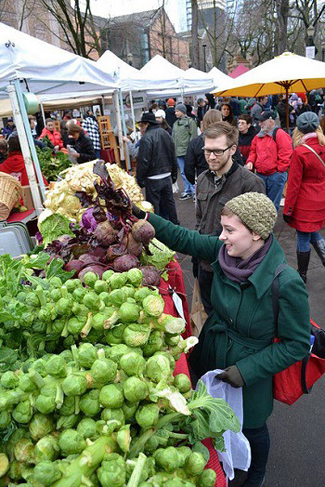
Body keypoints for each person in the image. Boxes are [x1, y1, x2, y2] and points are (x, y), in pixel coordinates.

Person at [133, 191, 310, 487]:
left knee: (251, 428)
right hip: (214, 350)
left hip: (251, 371)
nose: (222, 237)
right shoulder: (224, 252)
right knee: (211, 419)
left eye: (230, 230)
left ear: (256, 234)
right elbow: (183, 238)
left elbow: (297, 345)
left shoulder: (286, 283)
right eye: (223, 228)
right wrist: (141, 216)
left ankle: (256, 475)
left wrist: (246, 372)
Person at [194, 122, 265, 315]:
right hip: (206, 265)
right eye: (207, 151)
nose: (211, 157)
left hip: (233, 270)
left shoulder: (250, 184)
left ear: (233, 149)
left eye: (217, 151)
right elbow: (199, 221)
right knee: (210, 313)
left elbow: (260, 234)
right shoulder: (202, 179)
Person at [283, 112, 325, 282]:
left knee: (303, 236)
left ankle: (302, 274)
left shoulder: (300, 152)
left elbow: (293, 185)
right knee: (312, 231)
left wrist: (288, 209)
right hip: (321, 198)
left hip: (304, 202)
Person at [136, 112, 179, 224]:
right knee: (170, 204)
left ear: (146, 124)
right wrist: (174, 174)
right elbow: (172, 155)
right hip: (167, 175)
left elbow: (143, 161)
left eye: (141, 126)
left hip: (153, 178)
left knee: (155, 207)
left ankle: (159, 231)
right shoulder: (165, 134)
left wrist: (139, 179)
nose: (140, 129)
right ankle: (176, 226)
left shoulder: (146, 138)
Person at [246, 110, 292, 211]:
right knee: (262, 205)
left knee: (271, 206)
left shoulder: (280, 135)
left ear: (270, 122)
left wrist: (279, 171)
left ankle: (269, 226)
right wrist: (250, 161)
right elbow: (253, 151)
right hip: (262, 174)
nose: (259, 123)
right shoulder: (259, 136)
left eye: (262, 121)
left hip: (274, 175)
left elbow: (286, 155)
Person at [185, 109, 223, 186]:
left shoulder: (195, 143)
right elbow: (238, 161)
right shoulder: (226, 140)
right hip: (224, 181)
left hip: (203, 181)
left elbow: (188, 168)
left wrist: (195, 181)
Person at [172, 103, 197, 200]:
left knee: (190, 172)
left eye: (177, 111)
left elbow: (193, 136)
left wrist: (191, 150)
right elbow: (173, 138)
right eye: (175, 111)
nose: (175, 113)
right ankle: (188, 191)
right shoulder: (175, 124)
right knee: (182, 172)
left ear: (183, 111)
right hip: (178, 151)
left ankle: (194, 191)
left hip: (187, 151)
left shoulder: (190, 122)